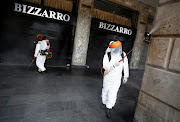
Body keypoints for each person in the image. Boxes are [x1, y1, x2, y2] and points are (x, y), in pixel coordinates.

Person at [101, 40, 129, 118]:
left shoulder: (123, 55)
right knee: (106, 90)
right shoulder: (108, 55)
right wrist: (113, 65)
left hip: (117, 78)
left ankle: (109, 108)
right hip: (108, 77)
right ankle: (104, 102)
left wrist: (125, 76)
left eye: (118, 47)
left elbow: (126, 65)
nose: (117, 49)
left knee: (113, 92)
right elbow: (105, 67)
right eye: (115, 47)